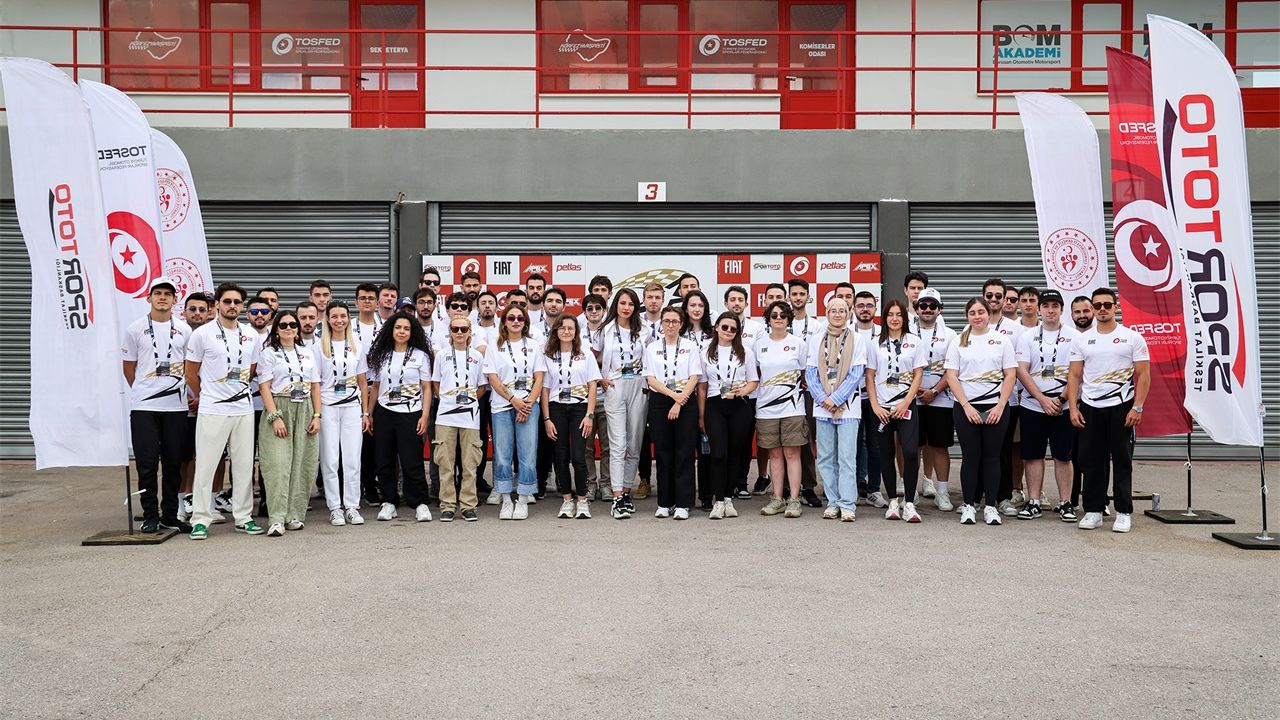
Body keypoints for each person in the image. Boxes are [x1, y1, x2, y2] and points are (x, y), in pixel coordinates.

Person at [183, 282, 263, 539]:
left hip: (243, 408)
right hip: (213, 409)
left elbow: (251, 370)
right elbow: (190, 373)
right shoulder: (202, 334)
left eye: (237, 302)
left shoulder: (251, 335)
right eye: (227, 301)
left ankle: (243, 517)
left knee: (243, 466)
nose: (232, 306)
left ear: (242, 306)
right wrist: (206, 394)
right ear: (217, 304)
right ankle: (200, 518)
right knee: (206, 466)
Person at [1067, 288, 1150, 533]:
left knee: (1122, 459)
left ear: (1116, 307)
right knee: (1090, 460)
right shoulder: (1082, 340)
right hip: (1090, 407)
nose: (1102, 309)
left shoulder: (1132, 338)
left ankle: (1123, 512)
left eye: (1107, 304)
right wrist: (1073, 408)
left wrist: (1137, 407)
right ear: (1092, 309)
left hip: (1121, 407)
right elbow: (1074, 375)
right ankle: (1093, 510)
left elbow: (1144, 374)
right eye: (1097, 305)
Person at [123, 277, 194, 533]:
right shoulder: (135, 329)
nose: (162, 297)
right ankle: (150, 515)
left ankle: (170, 515)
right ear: (149, 298)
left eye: (167, 294)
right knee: (147, 463)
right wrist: (146, 391)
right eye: (158, 293)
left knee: (174, 462)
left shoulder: (185, 330)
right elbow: (129, 368)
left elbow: (189, 366)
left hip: (175, 407)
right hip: (145, 407)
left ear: (175, 300)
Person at [944, 298, 1017, 527]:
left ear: (988, 314)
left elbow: (1010, 374)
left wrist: (1001, 405)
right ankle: (968, 505)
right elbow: (951, 376)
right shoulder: (958, 341)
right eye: (972, 313)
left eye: (981, 312)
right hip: (966, 408)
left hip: (995, 407)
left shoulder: (1002, 340)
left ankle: (991, 507)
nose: (977, 316)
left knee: (992, 457)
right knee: (970, 457)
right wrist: (966, 406)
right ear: (967, 316)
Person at [255, 310, 322, 536]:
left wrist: (317, 416)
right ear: (276, 329)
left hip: (305, 408)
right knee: (278, 464)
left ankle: (294, 514)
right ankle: (276, 518)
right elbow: (264, 387)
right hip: (280, 406)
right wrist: (275, 417)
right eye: (283, 325)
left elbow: (315, 386)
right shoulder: (269, 354)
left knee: (303, 463)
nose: (288, 328)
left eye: (293, 325)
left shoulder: (307, 353)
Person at [1014, 289, 1078, 522]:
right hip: (1033, 405)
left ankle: (1065, 502)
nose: (1050, 310)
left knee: (1063, 456)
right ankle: (1033, 502)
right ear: (1040, 309)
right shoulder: (1027, 336)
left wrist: (1061, 399)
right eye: (1046, 306)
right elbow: (1021, 370)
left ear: (1062, 309)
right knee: (1032, 456)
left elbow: (1077, 373)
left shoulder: (1074, 336)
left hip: (1063, 405)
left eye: (1055, 306)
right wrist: (1042, 399)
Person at [368, 312, 435, 523]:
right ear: (391, 330)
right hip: (384, 411)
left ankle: (420, 502)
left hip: (411, 412)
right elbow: (375, 387)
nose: (402, 332)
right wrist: (369, 414)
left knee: (411, 459)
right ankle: (389, 501)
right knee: (384, 459)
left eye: (406, 328)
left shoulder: (421, 356)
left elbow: (427, 388)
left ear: (412, 332)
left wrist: (425, 415)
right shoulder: (382, 354)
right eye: (398, 327)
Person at [804, 298, 867, 522]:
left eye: (842, 310)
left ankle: (847, 504)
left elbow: (857, 372)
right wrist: (823, 399)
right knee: (825, 458)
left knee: (847, 458)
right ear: (827, 313)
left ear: (849, 313)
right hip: (823, 408)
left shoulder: (857, 339)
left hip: (847, 408)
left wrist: (836, 398)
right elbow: (810, 372)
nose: (838, 314)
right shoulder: (816, 339)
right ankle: (833, 502)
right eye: (833, 310)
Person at [865, 300, 926, 522]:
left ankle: (908, 503)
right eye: (890, 314)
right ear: (884, 317)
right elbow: (869, 375)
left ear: (904, 318)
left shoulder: (914, 341)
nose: (894, 318)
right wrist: (875, 406)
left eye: (899, 314)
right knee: (886, 453)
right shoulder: (875, 343)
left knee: (909, 452)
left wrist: (906, 402)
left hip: (905, 405)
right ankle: (892, 501)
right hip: (881, 407)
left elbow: (918, 374)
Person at [485, 304, 545, 520]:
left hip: (529, 405)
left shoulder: (534, 345)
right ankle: (506, 499)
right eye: (511, 318)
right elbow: (493, 378)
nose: (516, 321)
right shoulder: (495, 345)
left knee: (527, 455)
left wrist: (527, 404)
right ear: (504, 322)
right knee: (502, 456)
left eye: (520, 318)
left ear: (526, 322)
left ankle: (522, 499)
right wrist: (513, 400)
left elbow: (539, 377)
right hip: (502, 406)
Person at [644, 306, 702, 520]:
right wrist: (673, 396)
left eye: (674, 321)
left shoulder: (690, 346)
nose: (670, 325)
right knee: (663, 452)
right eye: (666, 321)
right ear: (661, 324)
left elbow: (695, 376)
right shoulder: (652, 347)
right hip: (660, 400)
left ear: (681, 324)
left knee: (684, 452)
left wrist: (680, 400)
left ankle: (683, 503)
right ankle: (664, 502)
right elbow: (650, 379)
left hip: (686, 400)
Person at [698, 312, 758, 520]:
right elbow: (702, 386)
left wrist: (743, 391)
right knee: (717, 454)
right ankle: (718, 501)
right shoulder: (705, 351)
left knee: (734, 454)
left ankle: (728, 498)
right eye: (725, 327)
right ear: (716, 327)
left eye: (733, 329)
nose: (728, 331)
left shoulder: (746, 352)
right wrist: (701, 415)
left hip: (739, 405)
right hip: (715, 405)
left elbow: (753, 380)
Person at [542, 314, 602, 519]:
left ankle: (582, 500)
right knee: (560, 456)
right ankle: (567, 500)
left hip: (580, 408)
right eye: (562, 328)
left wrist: (590, 415)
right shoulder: (548, 355)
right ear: (556, 331)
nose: (566, 331)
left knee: (578, 456)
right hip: (556, 408)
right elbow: (545, 389)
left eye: (570, 328)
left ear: (576, 332)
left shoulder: (586, 354)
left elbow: (592, 385)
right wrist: (547, 419)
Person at [317, 301, 371, 526]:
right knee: (330, 460)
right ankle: (335, 508)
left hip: (351, 407)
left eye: (343, 316)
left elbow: (362, 382)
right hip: (328, 407)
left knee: (352, 459)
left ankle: (352, 506)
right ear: (328, 319)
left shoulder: (357, 344)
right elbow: (315, 384)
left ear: (348, 318)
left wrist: (365, 412)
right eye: (335, 316)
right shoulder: (318, 346)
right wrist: (316, 414)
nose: (339, 320)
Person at [754, 300, 808, 518]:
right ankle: (777, 499)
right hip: (766, 408)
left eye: (783, 315)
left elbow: (804, 375)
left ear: (788, 319)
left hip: (792, 408)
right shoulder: (758, 344)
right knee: (774, 454)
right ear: (768, 319)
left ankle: (794, 499)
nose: (778, 318)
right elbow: (755, 375)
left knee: (792, 454)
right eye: (774, 315)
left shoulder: (798, 343)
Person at [431, 316, 487, 522]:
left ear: (470, 332)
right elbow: (436, 383)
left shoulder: (477, 356)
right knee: (445, 463)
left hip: (470, 416)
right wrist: (450, 400)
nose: (460, 333)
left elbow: (482, 386)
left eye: (464, 329)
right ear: (450, 332)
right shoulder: (442, 355)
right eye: (456, 329)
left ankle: (468, 504)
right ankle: (447, 505)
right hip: (445, 415)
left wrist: (468, 401)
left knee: (469, 463)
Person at [599, 288, 647, 519]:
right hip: (615, 386)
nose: (626, 308)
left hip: (639, 385)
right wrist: (600, 378)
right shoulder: (605, 329)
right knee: (618, 443)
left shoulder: (644, 329)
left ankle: (626, 492)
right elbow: (590, 356)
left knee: (634, 443)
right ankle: (617, 497)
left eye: (631, 304)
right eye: (623, 303)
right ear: (615, 304)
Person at [913, 288, 959, 511]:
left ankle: (942, 492)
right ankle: (910, 491)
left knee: (939, 446)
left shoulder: (950, 335)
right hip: (911, 399)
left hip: (941, 399)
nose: (928, 309)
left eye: (933, 306)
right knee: (911, 446)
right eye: (923, 305)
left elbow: (952, 369)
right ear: (916, 308)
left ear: (940, 309)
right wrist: (914, 390)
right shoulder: (906, 332)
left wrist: (935, 391)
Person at [786, 278, 824, 509]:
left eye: (802, 294)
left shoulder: (817, 326)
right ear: (788, 296)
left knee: (808, 438)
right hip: (784, 390)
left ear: (808, 297)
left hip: (809, 390)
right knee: (787, 439)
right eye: (794, 294)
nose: (798, 298)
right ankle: (787, 487)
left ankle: (809, 486)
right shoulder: (780, 322)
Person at [176, 291, 212, 521]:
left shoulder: (212, 336)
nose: (197, 314)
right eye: (193, 309)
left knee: (206, 456)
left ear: (208, 312)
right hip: (181, 405)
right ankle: (180, 503)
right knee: (183, 457)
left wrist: (202, 397)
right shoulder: (177, 335)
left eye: (202, 310)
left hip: (208, 404)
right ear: (184, 312)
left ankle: (199, 499)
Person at [852, 291, 886, 507]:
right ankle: (854, 488)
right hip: (851, 399)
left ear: (875, 308)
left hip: (876, 399)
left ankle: (874, 489)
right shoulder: (847, 332)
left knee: (875, 446)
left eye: (869, 305)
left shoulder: (883, 333)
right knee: (852, 446)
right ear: (854, 308)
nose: (865, 309)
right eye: (860, 305)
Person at [580, 293, 611, 500]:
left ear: (604, 310)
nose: (593, 312)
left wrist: (593, 360)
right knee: (587, 447)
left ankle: (606, 483)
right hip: (585, 398)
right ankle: (590, 483)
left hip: (608, 397)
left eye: (598, 308)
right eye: (589, 308)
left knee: (608, 446)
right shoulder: (576, 333)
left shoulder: (611, 332)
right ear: (584, 312)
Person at [1067, 295, 1095, 510]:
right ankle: (1072, 499)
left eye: (1086, 311)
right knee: (1073, 455)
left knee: (1095, 456)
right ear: (1071, 315)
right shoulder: (1069, 340)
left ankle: (1098, 500)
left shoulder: (1102, 337)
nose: (1082, 315)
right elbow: (1070, 375)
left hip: (1095, 404)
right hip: (1073, 405)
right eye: (1077, 312)